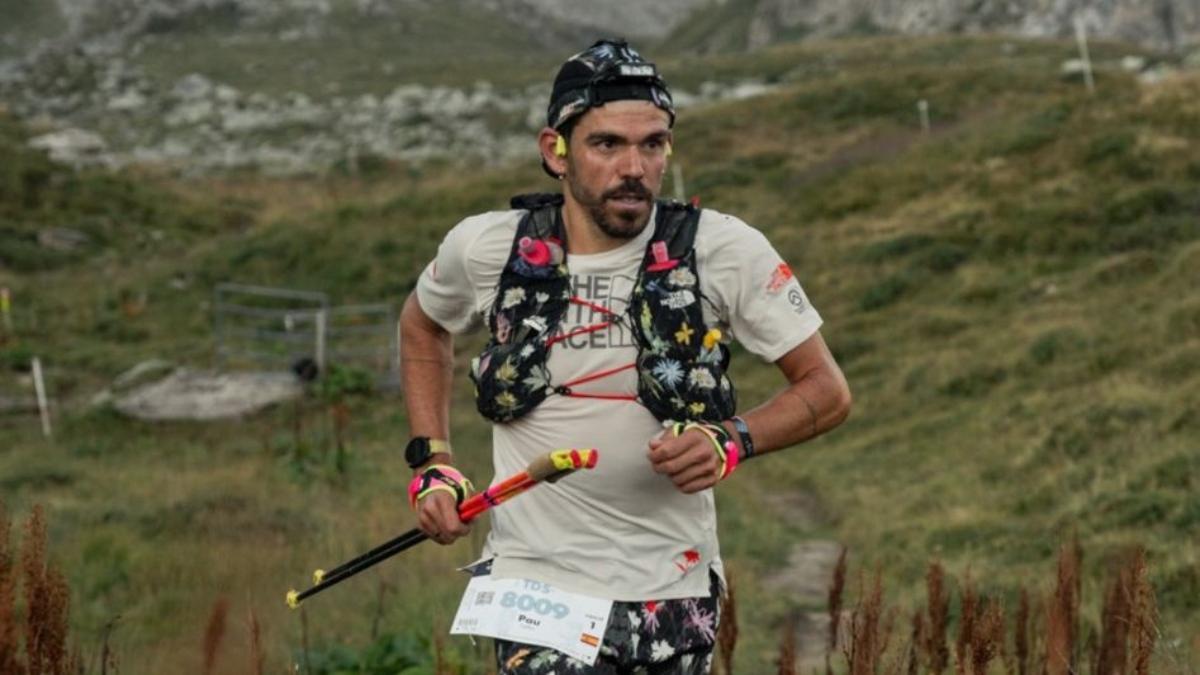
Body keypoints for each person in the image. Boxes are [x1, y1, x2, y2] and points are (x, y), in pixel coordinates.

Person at [399, 38, 851, 675]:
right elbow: (421, 327)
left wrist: (732, 439)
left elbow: (826, 390)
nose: (634, 166)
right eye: (607, 144)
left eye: (653, 143)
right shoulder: (486, 248)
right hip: (537, 586)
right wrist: (434, 463)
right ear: (555, 151)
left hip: (674, 590)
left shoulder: (725, 249)